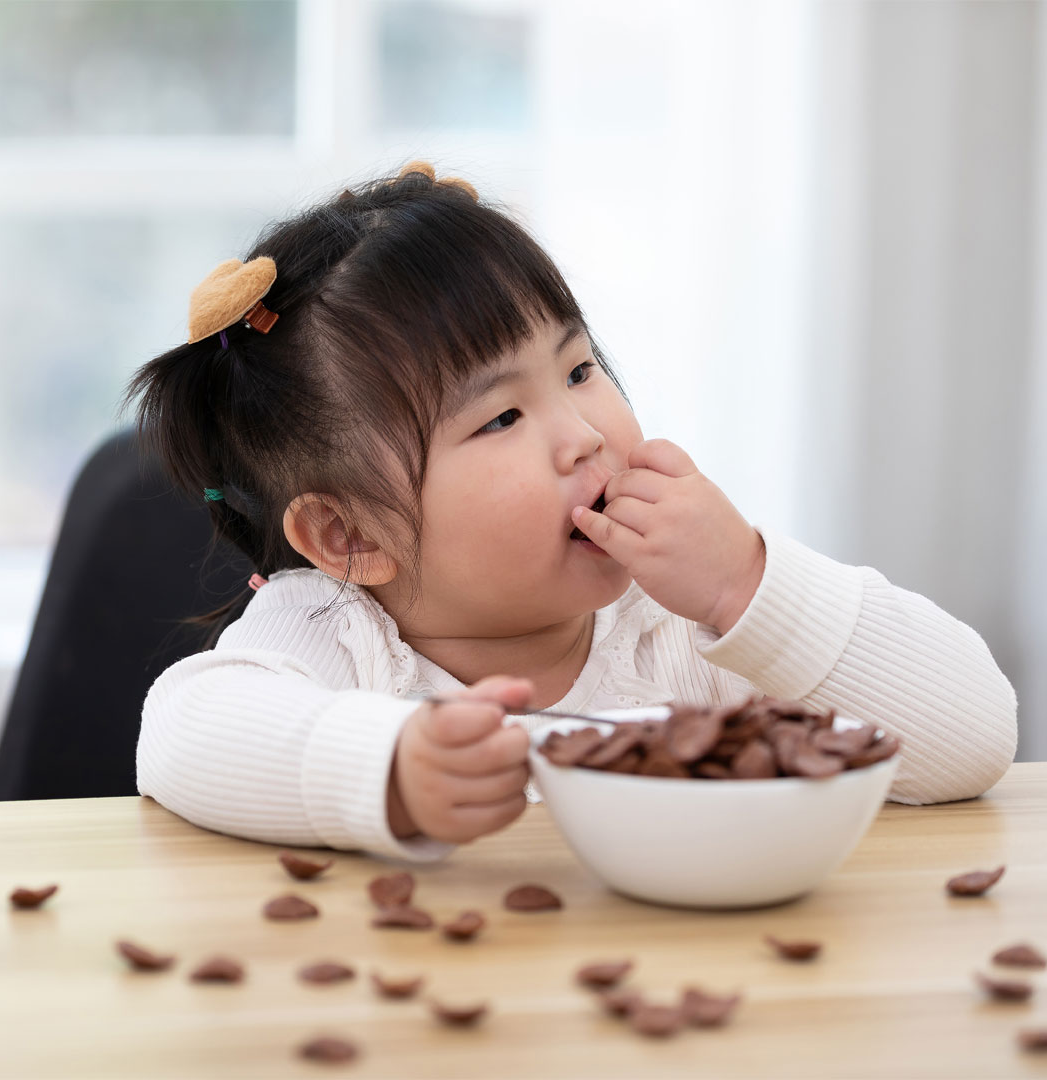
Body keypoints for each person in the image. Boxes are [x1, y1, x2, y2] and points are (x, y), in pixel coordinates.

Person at [125, 161, 1018, 864]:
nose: (585, 433)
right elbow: (183, 735)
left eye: (582, 370)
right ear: (351, 537)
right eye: (503, 417)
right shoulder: (336, 632)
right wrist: (390, 770)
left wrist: (749, 583)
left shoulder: (682, 621)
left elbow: (974, 737)